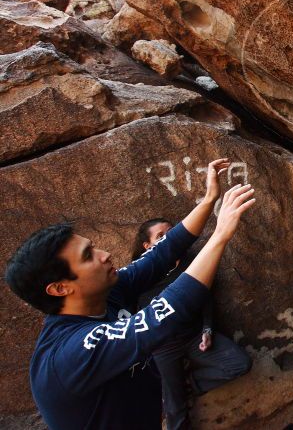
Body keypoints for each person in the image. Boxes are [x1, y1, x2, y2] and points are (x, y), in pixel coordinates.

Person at [4, 158, 256, 430]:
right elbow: (165, 312)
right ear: (60, 288)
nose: (105, 255)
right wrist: (219, 236)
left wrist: (209, 200)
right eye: (88, 256)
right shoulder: (72, 353)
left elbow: (162, 253)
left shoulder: (106, 294)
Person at [132, 218, 251, 430]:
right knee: (175, 408)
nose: (169, 238)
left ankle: (188, 385)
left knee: (239, 363)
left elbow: (204, 296)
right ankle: (175, 394)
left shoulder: (190, 263)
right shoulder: (139, 275)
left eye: (171, 232)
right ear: (147, 246)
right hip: (162, 346)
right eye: (160, 236)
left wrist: (207, 328)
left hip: (193, 336)